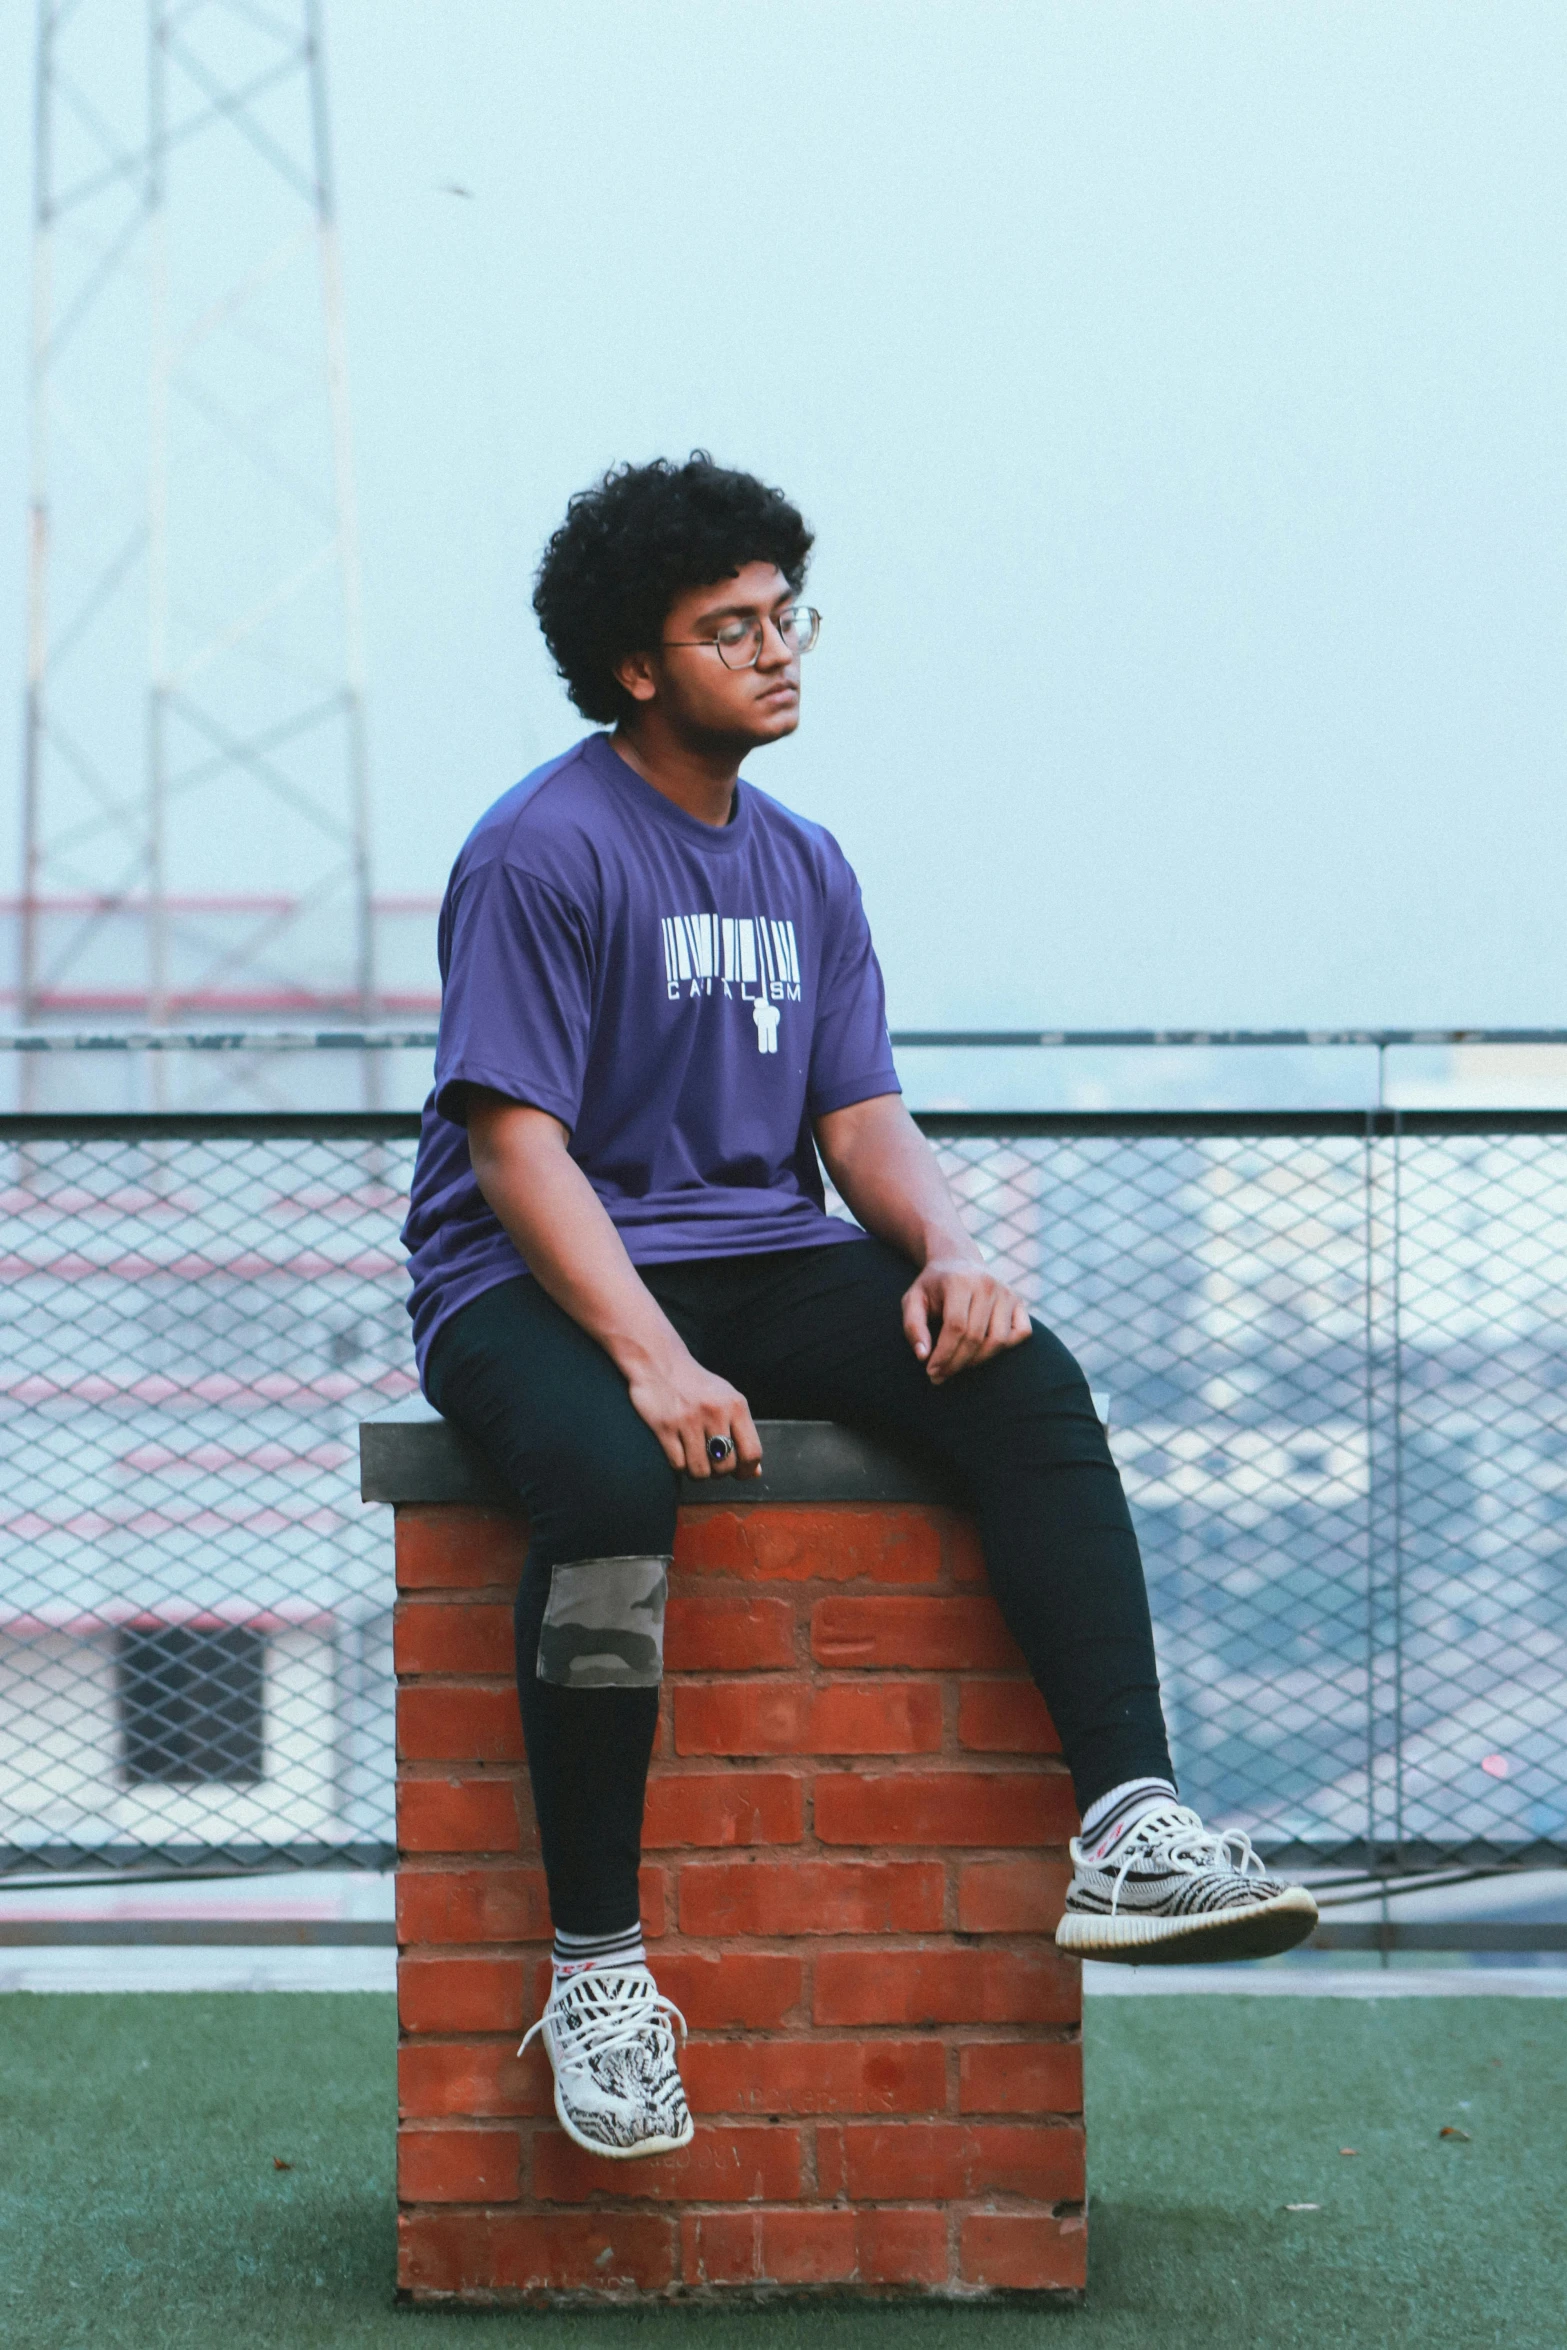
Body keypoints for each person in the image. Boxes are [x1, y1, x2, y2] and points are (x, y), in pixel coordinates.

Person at [401, 454, 1318, 2161]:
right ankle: (597, 1969)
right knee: (610, 1481)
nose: (773, 651)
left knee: (1022, 1376)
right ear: (634, 665)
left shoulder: (804, 864)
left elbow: (856, 1118)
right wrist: (650, 1356)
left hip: (749, 1250)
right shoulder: (540, 848)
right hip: (525, 1273)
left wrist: (952, 1248)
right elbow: (516, 1147)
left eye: (781, 616)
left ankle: (1128, 1822)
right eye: (725, 627)